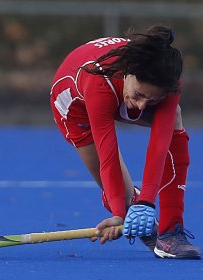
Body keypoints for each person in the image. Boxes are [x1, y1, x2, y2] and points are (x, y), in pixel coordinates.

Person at [49, 25, 201, 259]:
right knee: (122, 197)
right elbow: (107, 150)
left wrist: (148, 203)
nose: (140, 107)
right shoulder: (99, 80)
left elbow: (159, 144)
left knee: (175, 118)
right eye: (139, 95)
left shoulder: (167, 81)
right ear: (129, 73)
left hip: (118, 90)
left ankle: (171, 232)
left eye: (151, 100)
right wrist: (119, 213)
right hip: (74, 106)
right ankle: (130, 204)